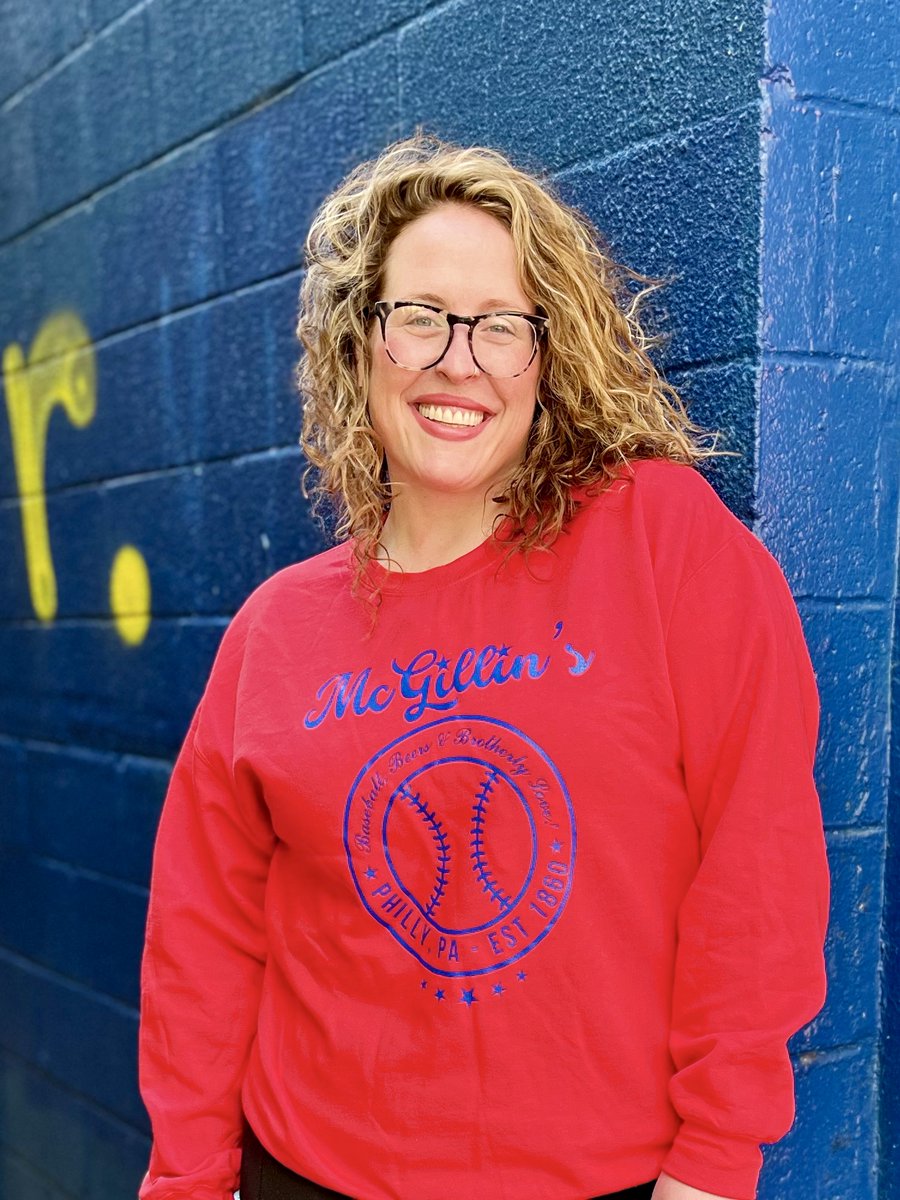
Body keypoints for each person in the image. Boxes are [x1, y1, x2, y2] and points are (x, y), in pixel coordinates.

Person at [138, 134, 830, 1200]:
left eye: (502, 327)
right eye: (419, 318)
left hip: (601, 1181)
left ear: (546, 359)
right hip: (306, 1172)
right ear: (360, 345)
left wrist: (714, 1164)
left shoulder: (661, 542)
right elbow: (204, 943)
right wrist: (188, 1179)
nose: (458, 360)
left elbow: (759, 863)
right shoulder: (275, 632)